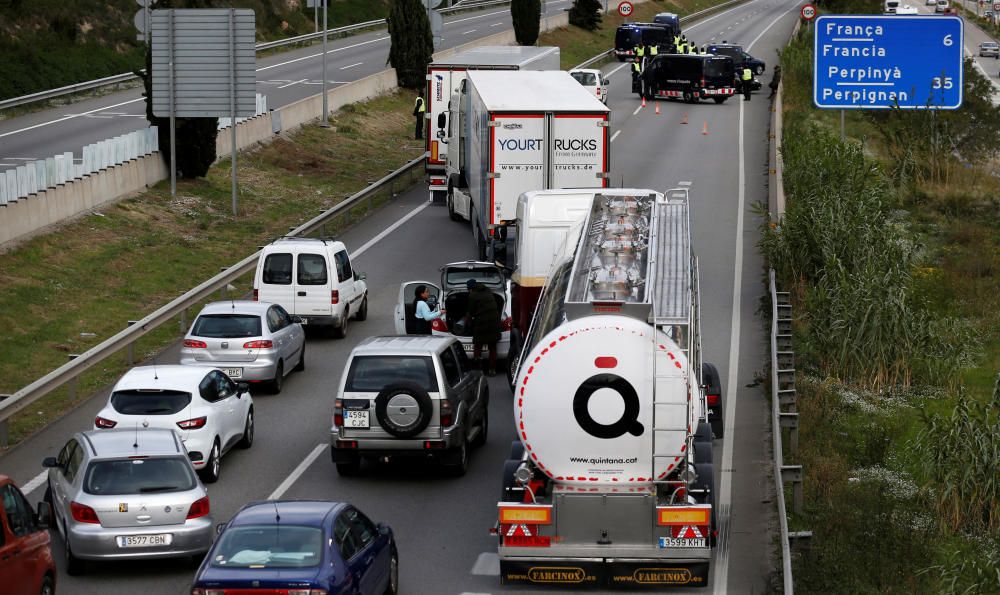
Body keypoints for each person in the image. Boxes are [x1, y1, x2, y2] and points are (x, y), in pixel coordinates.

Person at [466, 279, 501, 375]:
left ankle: (478, 370)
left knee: (478, 346)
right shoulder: (488, 290)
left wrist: (467, 323)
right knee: (492, 347)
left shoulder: (473, 295)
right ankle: (492, 370)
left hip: (481, 323)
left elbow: (471, 312)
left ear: (470, 289)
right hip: (494, 323)